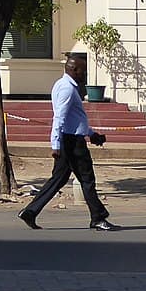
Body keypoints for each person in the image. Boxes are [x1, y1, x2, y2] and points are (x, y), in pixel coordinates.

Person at [19, 52, 117, 231]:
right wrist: (55, 144)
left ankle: (30, 212)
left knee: (58, 179)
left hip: (71, 138)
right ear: (74, 70)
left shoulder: (62, 84)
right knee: (87, 179)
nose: (84, 75)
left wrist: (91, 134)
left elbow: (75, 118)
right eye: (83, 71)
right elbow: (60, 118)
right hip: (72, 142)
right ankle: (98, 217)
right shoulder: (67, 89)